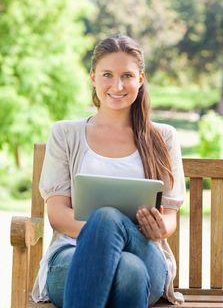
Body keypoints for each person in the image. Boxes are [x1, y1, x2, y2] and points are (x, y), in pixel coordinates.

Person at [32, 34, 185, 307]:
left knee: (109, 222)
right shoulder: (65, 134)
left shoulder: (163, 137)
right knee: (128, 268)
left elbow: (170, 218)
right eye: (107, 75)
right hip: (72, 253)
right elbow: (57, 215)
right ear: (93, 77)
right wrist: (104, 236)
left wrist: (161, 228)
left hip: (144, 251)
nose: (117, 85)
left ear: (140, 79)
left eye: (127, 75)